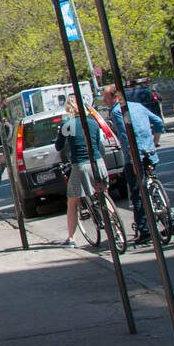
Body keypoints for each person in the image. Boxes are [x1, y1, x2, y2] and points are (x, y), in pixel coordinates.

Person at [102, 83, 174, 243]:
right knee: (154, 188)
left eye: (106, 97)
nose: (104, 100)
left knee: (137, 194)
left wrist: (131, 153)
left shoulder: (117, 111)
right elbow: (158, 122)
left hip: (135, 157)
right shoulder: (137, 106)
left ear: (114, 97)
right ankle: (172, 221)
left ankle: (144, 231)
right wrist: (155, 141)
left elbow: (125, 133)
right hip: (150, 152)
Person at [54, 95, 106, 247]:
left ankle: (71, 239)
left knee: (72, 202)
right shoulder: (92, 122)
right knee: (104, 194)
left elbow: (58, 146)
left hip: (81, 165)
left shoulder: (68, 124)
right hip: (98, 163)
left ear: (69, 108)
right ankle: (116, 228)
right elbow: (97, 144)